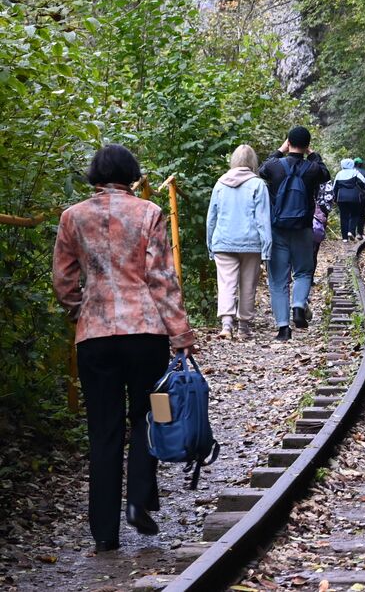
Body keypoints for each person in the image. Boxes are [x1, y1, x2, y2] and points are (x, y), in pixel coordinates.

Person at [52, 144, 196, 552]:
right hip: (146, 335)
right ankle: (138, 500)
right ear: (132, 175)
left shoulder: (72, 217)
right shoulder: (148, 212)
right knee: (152, 414)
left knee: (103, 431)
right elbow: (162, 279)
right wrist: (181, 335)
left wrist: (82, 309)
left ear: (94, 176)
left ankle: (103, 533)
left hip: (95, 339)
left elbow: (63, 280)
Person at [260, 126, 331, 341]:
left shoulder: (275, 167)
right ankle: (299, 304)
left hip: (277, 229)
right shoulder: (312, 169)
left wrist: (280, 151)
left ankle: (283, 329)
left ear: (288, 142)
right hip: (303, 228)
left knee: (278, 280)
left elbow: (261, 169)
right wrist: (312, 153)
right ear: (307, 144)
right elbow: (325, 173)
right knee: (303, 272)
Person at [206, 144, 272, 339]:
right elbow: (263, 219)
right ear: (253, 162)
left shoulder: (219, 184)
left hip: (223, 241)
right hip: (250, 243)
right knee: (248, 284)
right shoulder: (258, 185)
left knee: (226, 282)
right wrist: (266, 249)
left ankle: (226, 326)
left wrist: (211, 244)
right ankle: (243, 327)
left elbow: (212, 218)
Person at [332, 158, 365, 240]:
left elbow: (334, 187)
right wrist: (363, 190)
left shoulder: (339, 174)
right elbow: (364, 181)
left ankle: (344, 238)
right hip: (354, 197)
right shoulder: (355, 172)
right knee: (355, 214)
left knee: (343, 217)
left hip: (341, 197)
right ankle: (351, 231)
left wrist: (333, 199)